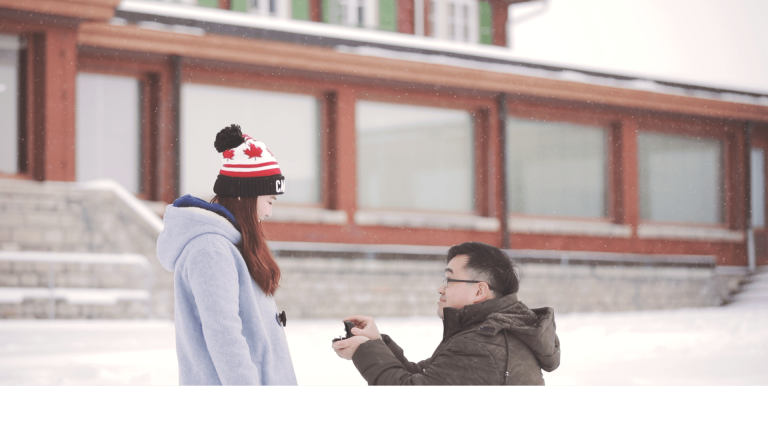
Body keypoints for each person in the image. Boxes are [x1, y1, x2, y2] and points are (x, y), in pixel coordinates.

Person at [157, 124, 296, 386]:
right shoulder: (211, 250)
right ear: (245, 196)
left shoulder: (226, 245)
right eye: (269, 200)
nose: (268, 212)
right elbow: (225, 336)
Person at [333, 241, 560, 386]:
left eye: (449, 280)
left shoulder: (481, 345)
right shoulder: (488, 335)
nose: (441, 288)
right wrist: (374, 342)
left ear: (480, 290)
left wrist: (364, 351)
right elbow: (425, 377)